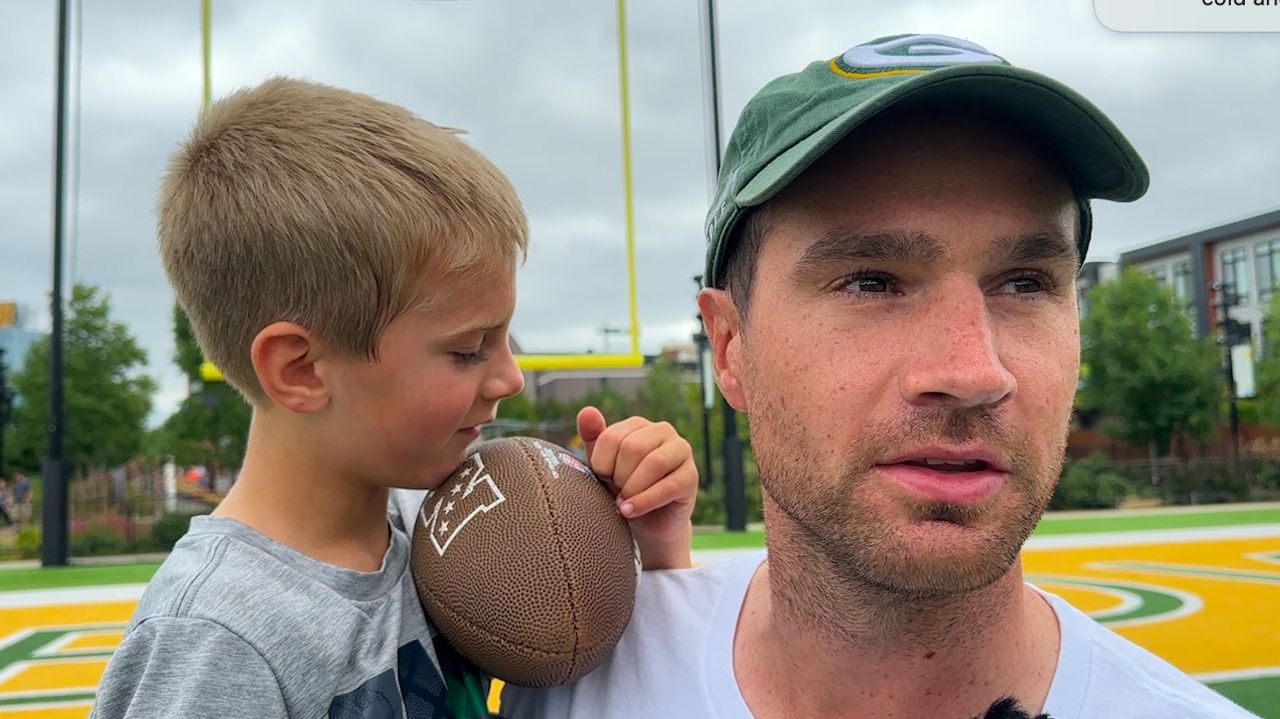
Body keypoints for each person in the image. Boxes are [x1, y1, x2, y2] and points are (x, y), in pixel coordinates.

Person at [503, 34, 1257, 718]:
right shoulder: (578, 685)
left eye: (1026, 282)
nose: (973, 371)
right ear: (730, 346)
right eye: (870, 280)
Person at [91, 77, 698, 719]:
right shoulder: (214, 639)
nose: (511, 378)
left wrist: (655, 553)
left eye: (505, 338)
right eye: (469, 349)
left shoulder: (438, 525)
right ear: (300, 370)